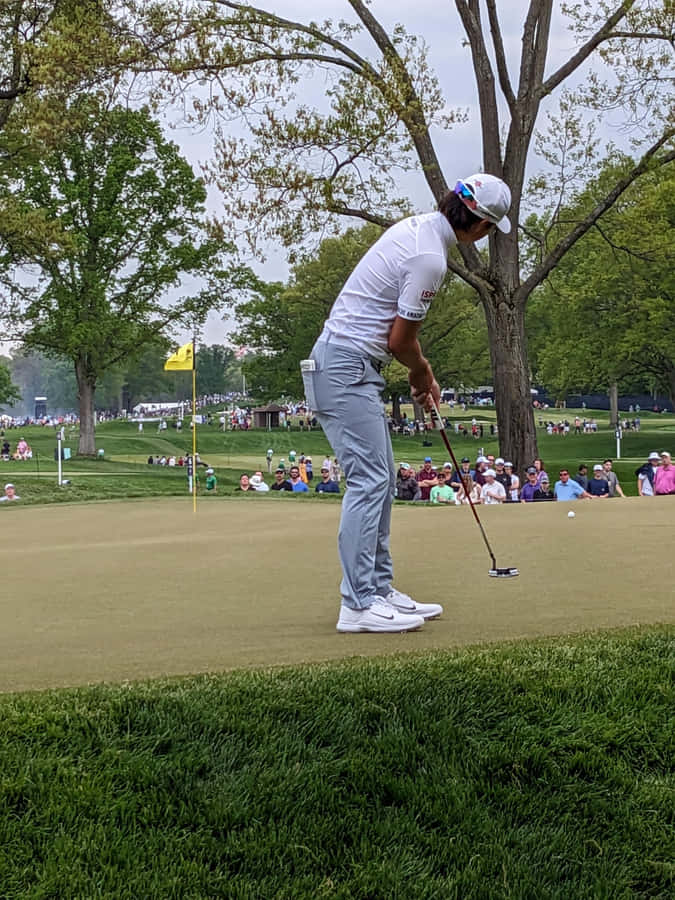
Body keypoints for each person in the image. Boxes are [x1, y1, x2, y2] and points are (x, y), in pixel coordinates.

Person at [301, 173, 511, 632]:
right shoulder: (429, 257)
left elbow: (399, 340)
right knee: (370, 482)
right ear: (479, 226)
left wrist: (421, 371)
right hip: (344, 367)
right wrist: (423, 373)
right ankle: (357, 605)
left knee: (381, 479)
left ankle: (377, 589)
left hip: (350, 365)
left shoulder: (416, 229)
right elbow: (401, 341)